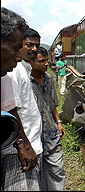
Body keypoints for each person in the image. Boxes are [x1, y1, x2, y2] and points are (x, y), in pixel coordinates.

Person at [2, 27, 43, 191]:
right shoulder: (11, 69)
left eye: (37, 46)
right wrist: (23, 145)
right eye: (27, 45)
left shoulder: (21, 68)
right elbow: (9, 108)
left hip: (23, 147)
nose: (33, 49)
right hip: (17, 153)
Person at [31, 47, 66, 190]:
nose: (46, 64)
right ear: (31, 62)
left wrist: (58, 122)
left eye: (46, 60)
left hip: (51, 133)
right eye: (42, 61)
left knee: (57, 170)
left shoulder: (50, 80)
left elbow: (52, 105)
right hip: (34, 136)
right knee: (37, 174)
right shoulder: (25, 82)